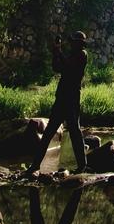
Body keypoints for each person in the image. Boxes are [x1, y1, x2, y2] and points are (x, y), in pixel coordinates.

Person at [27, 31, 89, 174]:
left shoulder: (82, 55)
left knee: (75, 132)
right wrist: (56, 53)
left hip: (72, 99)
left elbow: (68, 67)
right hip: (62, 99)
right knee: (49, 132)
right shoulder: (72, 55)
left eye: (74, 41)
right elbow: (57, 68)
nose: (72, 43)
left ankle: (82, 165)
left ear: (79, 44)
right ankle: (35, 165)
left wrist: (59, 52)